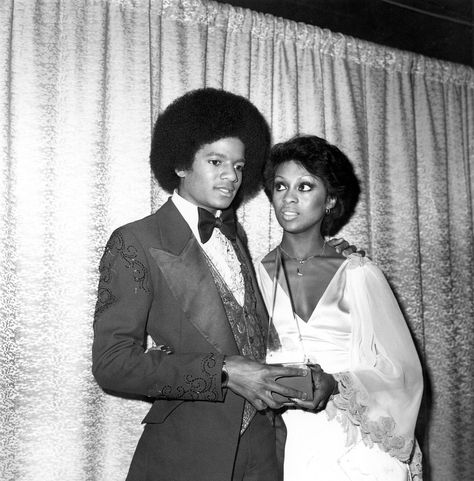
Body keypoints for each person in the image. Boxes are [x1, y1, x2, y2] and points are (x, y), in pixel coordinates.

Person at [92, 89, 353, 481]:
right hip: (187, 454)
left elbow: (252, 335)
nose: (231, 176)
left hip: (266, 452)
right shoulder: (135, 242)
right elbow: (112, 365)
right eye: (216, 161)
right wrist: (224, 372)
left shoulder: (236, 238)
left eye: (239, 165)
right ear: (180, 163)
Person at [256, 135, 423, 480]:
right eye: (280, 186)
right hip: (284, 443)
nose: (289, 198)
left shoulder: (358, 273)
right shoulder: (254, 275)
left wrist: (336, 383)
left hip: (357, 447)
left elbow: (403, 374)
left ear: (330, 199)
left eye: (305, 186)